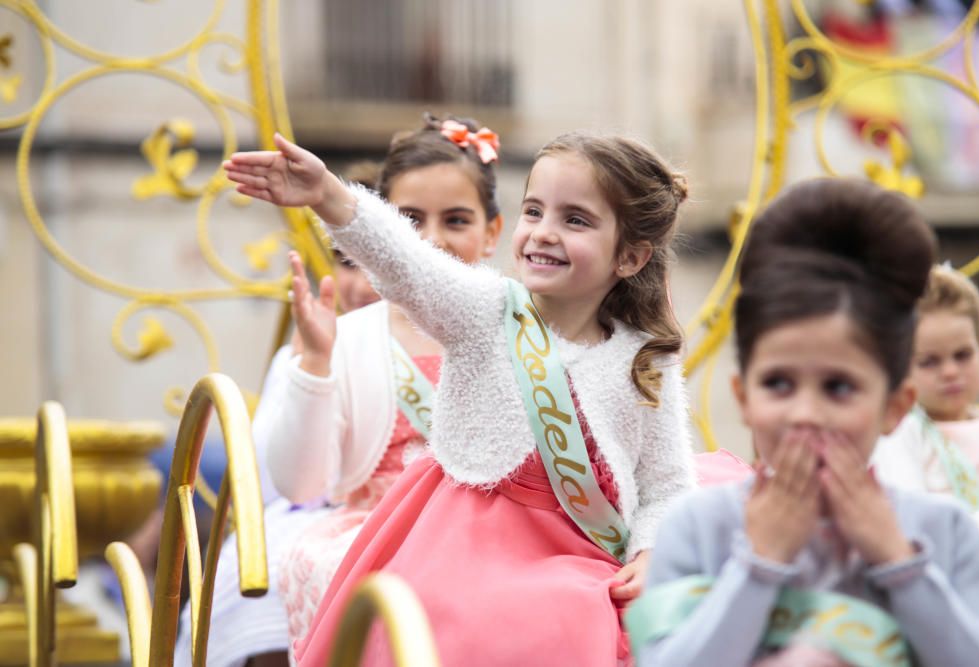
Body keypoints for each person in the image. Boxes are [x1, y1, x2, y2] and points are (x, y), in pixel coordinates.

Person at [225, 129, 697, 666]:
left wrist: (650, 550)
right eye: (535, 211)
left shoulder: (646, 358)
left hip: (581, 552)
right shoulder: (486, 310)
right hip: (469, 545)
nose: (543, 233)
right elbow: (405, 262)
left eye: (576, 220)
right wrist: (328, 196)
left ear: (631, 257)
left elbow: (667, 483)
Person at [629, 178, 979, 666]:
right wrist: (758, 564)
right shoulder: (698, 527)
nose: (805, 413)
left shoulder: (942, 531)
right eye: (778, 384)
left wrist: (900, 563)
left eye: (839, 387)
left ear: (895, 406)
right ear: (743, 398)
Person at [176, 116, 502, 667]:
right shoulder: (349, 340)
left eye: (457, 220)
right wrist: (318, 364)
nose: (431, 240)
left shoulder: (515, 329)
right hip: (375, 535)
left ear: (492, 232)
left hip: (488, 536)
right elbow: (300, 484)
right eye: (409, 220)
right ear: (379, 228)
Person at [872, 265, 979, 550]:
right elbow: (913, 521)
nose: (951, 372)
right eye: (929, 361)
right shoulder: (899, 432)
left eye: (962, 355)